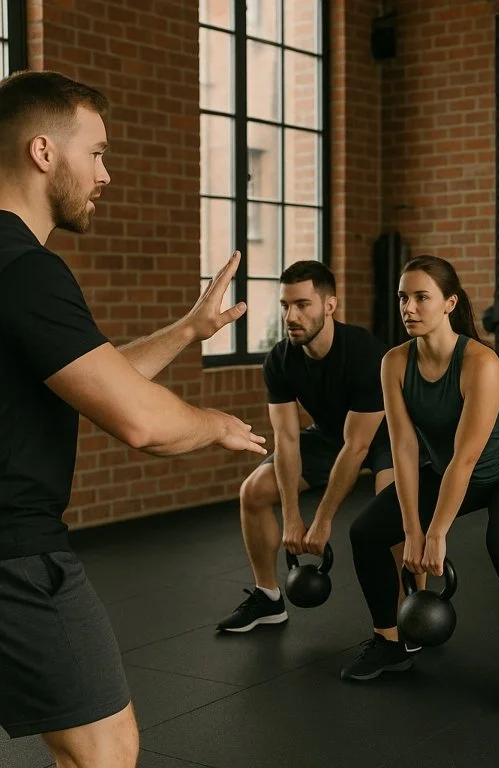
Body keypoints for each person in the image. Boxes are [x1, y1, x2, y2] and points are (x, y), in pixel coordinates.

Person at [0, 70, 268, 766]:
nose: (106, 173)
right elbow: (140, 422)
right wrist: (212, 422)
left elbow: (91, 378)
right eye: (96, 152)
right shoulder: (27, 271)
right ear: (43, 152)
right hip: (16, 557)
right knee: (104, 748)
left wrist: (187, 330)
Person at [340, 254, 499, 714]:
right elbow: (402, 448)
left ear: (449, 303)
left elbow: (464, 458)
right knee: (366, 533)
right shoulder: (394, 362)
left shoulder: (481, 363)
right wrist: (411, 528)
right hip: (446, 471)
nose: (410, 307)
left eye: (422, 297)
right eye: (404, 297)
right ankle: (389, 642)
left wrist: (435, 532)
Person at [217, 260, 423, 633]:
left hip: (389, 437)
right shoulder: (280, 360)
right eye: (285, 306)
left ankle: (410, 611)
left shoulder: (364, 354)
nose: (291, 316)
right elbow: (288, 438)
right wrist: (293, 516)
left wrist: (323, 520)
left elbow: (358, 444)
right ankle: (268, 599)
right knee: (254, 491)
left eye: (302, 305)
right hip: (330, 435)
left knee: (392, 514)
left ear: (330, 306)